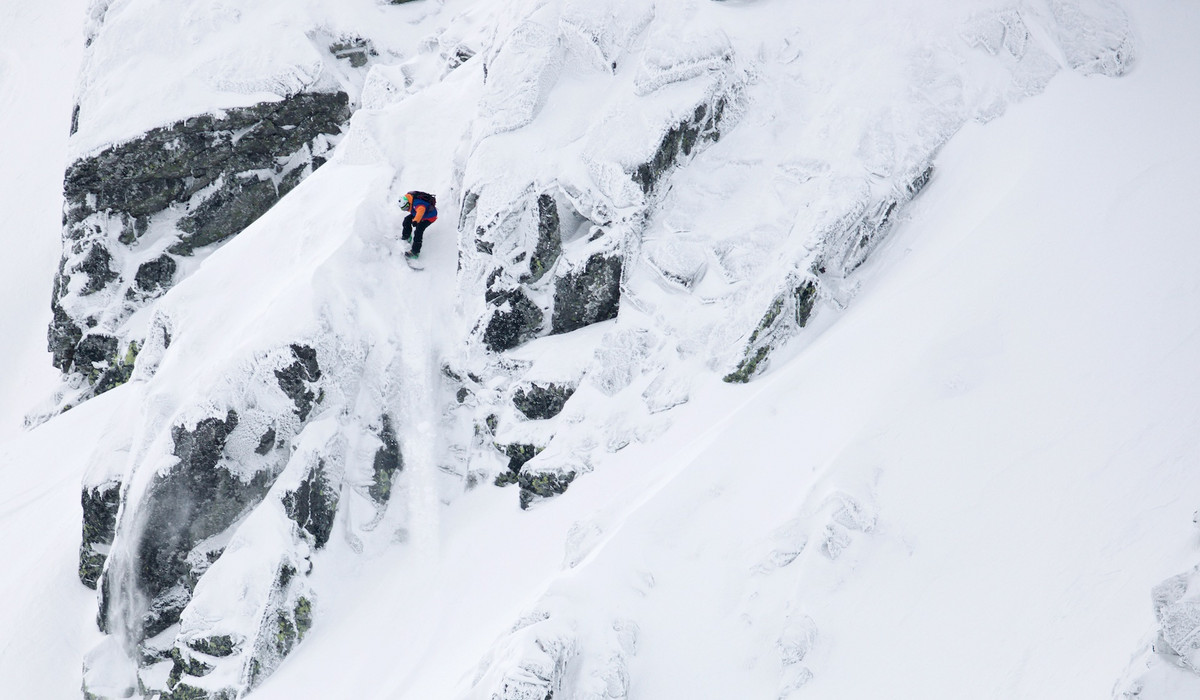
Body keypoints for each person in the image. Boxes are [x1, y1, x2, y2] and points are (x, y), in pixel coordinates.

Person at [399, 191, 438, 260]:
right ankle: (406, 236)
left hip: (429, 217)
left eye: (406, 208)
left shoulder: (417, 203)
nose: (406, 210)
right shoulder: (409, 198)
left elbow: (421, 210)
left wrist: (416, 220)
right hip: (418, 214)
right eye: (404, 209)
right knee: (407, 220)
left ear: (408, 204)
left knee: (418, 231)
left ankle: (415, 252)